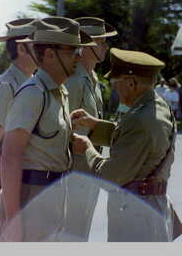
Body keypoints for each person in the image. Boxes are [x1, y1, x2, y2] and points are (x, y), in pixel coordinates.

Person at [70, 48, 182, 242]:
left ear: (131, 83)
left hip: (136, 218)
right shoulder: (156, 106)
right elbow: (137, 141)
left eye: (116, 83)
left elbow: (111, 176)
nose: (114, 89)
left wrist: (88, 149)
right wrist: (95, 125)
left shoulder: (140, 119)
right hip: (150, 208)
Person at [0, 17, 94, 242]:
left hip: (53, 195)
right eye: (73, 50)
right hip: (32, 196)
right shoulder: (33, 92)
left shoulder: (60, 92)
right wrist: (13, 220)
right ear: (50, 54)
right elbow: (10, 156)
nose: (79, 57)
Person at [62, 16, 116, 242]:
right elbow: (66, 129)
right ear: (85, 47)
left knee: (82, 226)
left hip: (90, 162)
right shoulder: (74, 81)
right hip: (77, 165)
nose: (106, 47)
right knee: (73, 228)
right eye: (101, 42)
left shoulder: (92, 78)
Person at [0, 19, 36, 241]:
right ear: (22, 48)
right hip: (9, 191)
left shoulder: (28, 82)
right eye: (36, 45)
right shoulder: (8, 87)